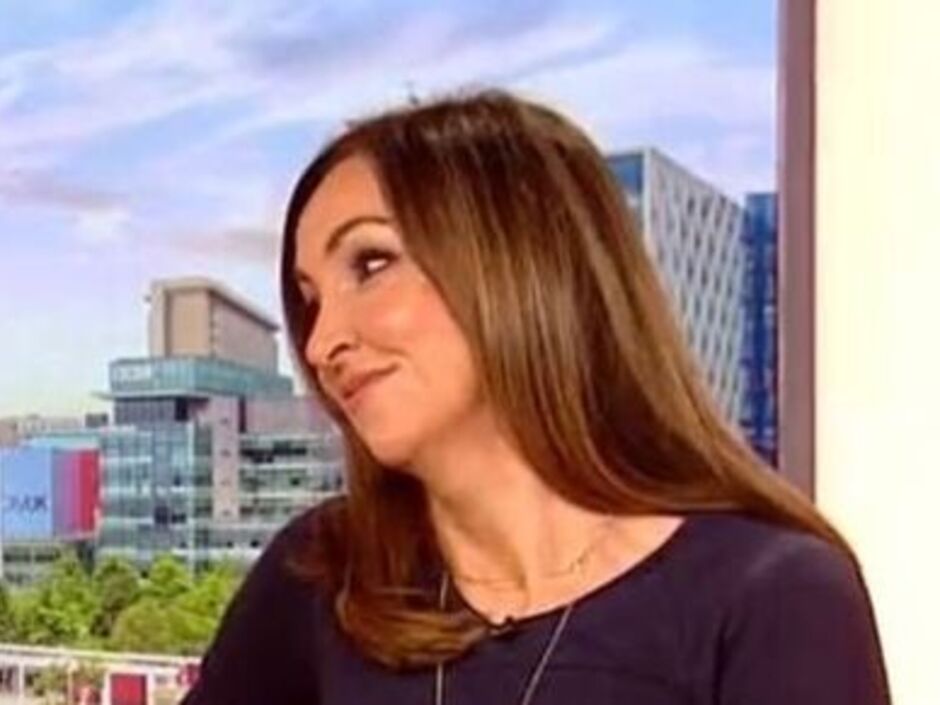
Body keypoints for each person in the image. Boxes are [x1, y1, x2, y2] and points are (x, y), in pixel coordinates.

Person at [181, 90, 891, 705]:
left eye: (371, 263)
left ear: (520, 266)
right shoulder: (320, 574)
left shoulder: (775, 597)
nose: (321, 342)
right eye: (309, 300)